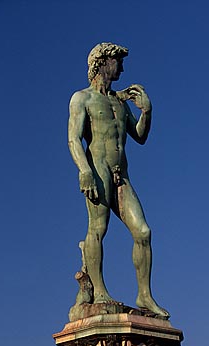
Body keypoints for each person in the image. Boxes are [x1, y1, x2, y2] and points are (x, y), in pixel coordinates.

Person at [68, 42, 169, 318]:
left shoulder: (118, 102)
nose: (122, 67)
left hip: (121, 176)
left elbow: (139, 136)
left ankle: (145, 296)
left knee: (143, 232)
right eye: (118, 61)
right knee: (97, 230)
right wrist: (84, 170)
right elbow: (74, 138)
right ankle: (98, 290)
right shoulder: (82, 98)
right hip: (98, 171)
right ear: (103, 62)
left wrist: (147, 111)